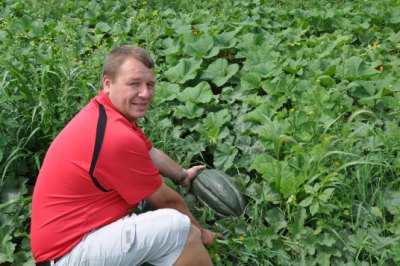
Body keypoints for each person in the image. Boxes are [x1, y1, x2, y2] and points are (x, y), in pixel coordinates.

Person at [31, 45, 222, 266]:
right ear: (107, 83)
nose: (145, 93)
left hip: (72, 240)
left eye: (150, 84)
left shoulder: (105, 113)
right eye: (134, 84)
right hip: (68, 253)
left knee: (159, 222)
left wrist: (182, 176)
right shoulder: (115, 136)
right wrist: (203, 233)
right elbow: (167, 200)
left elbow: (148, 152)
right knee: (178, 227)